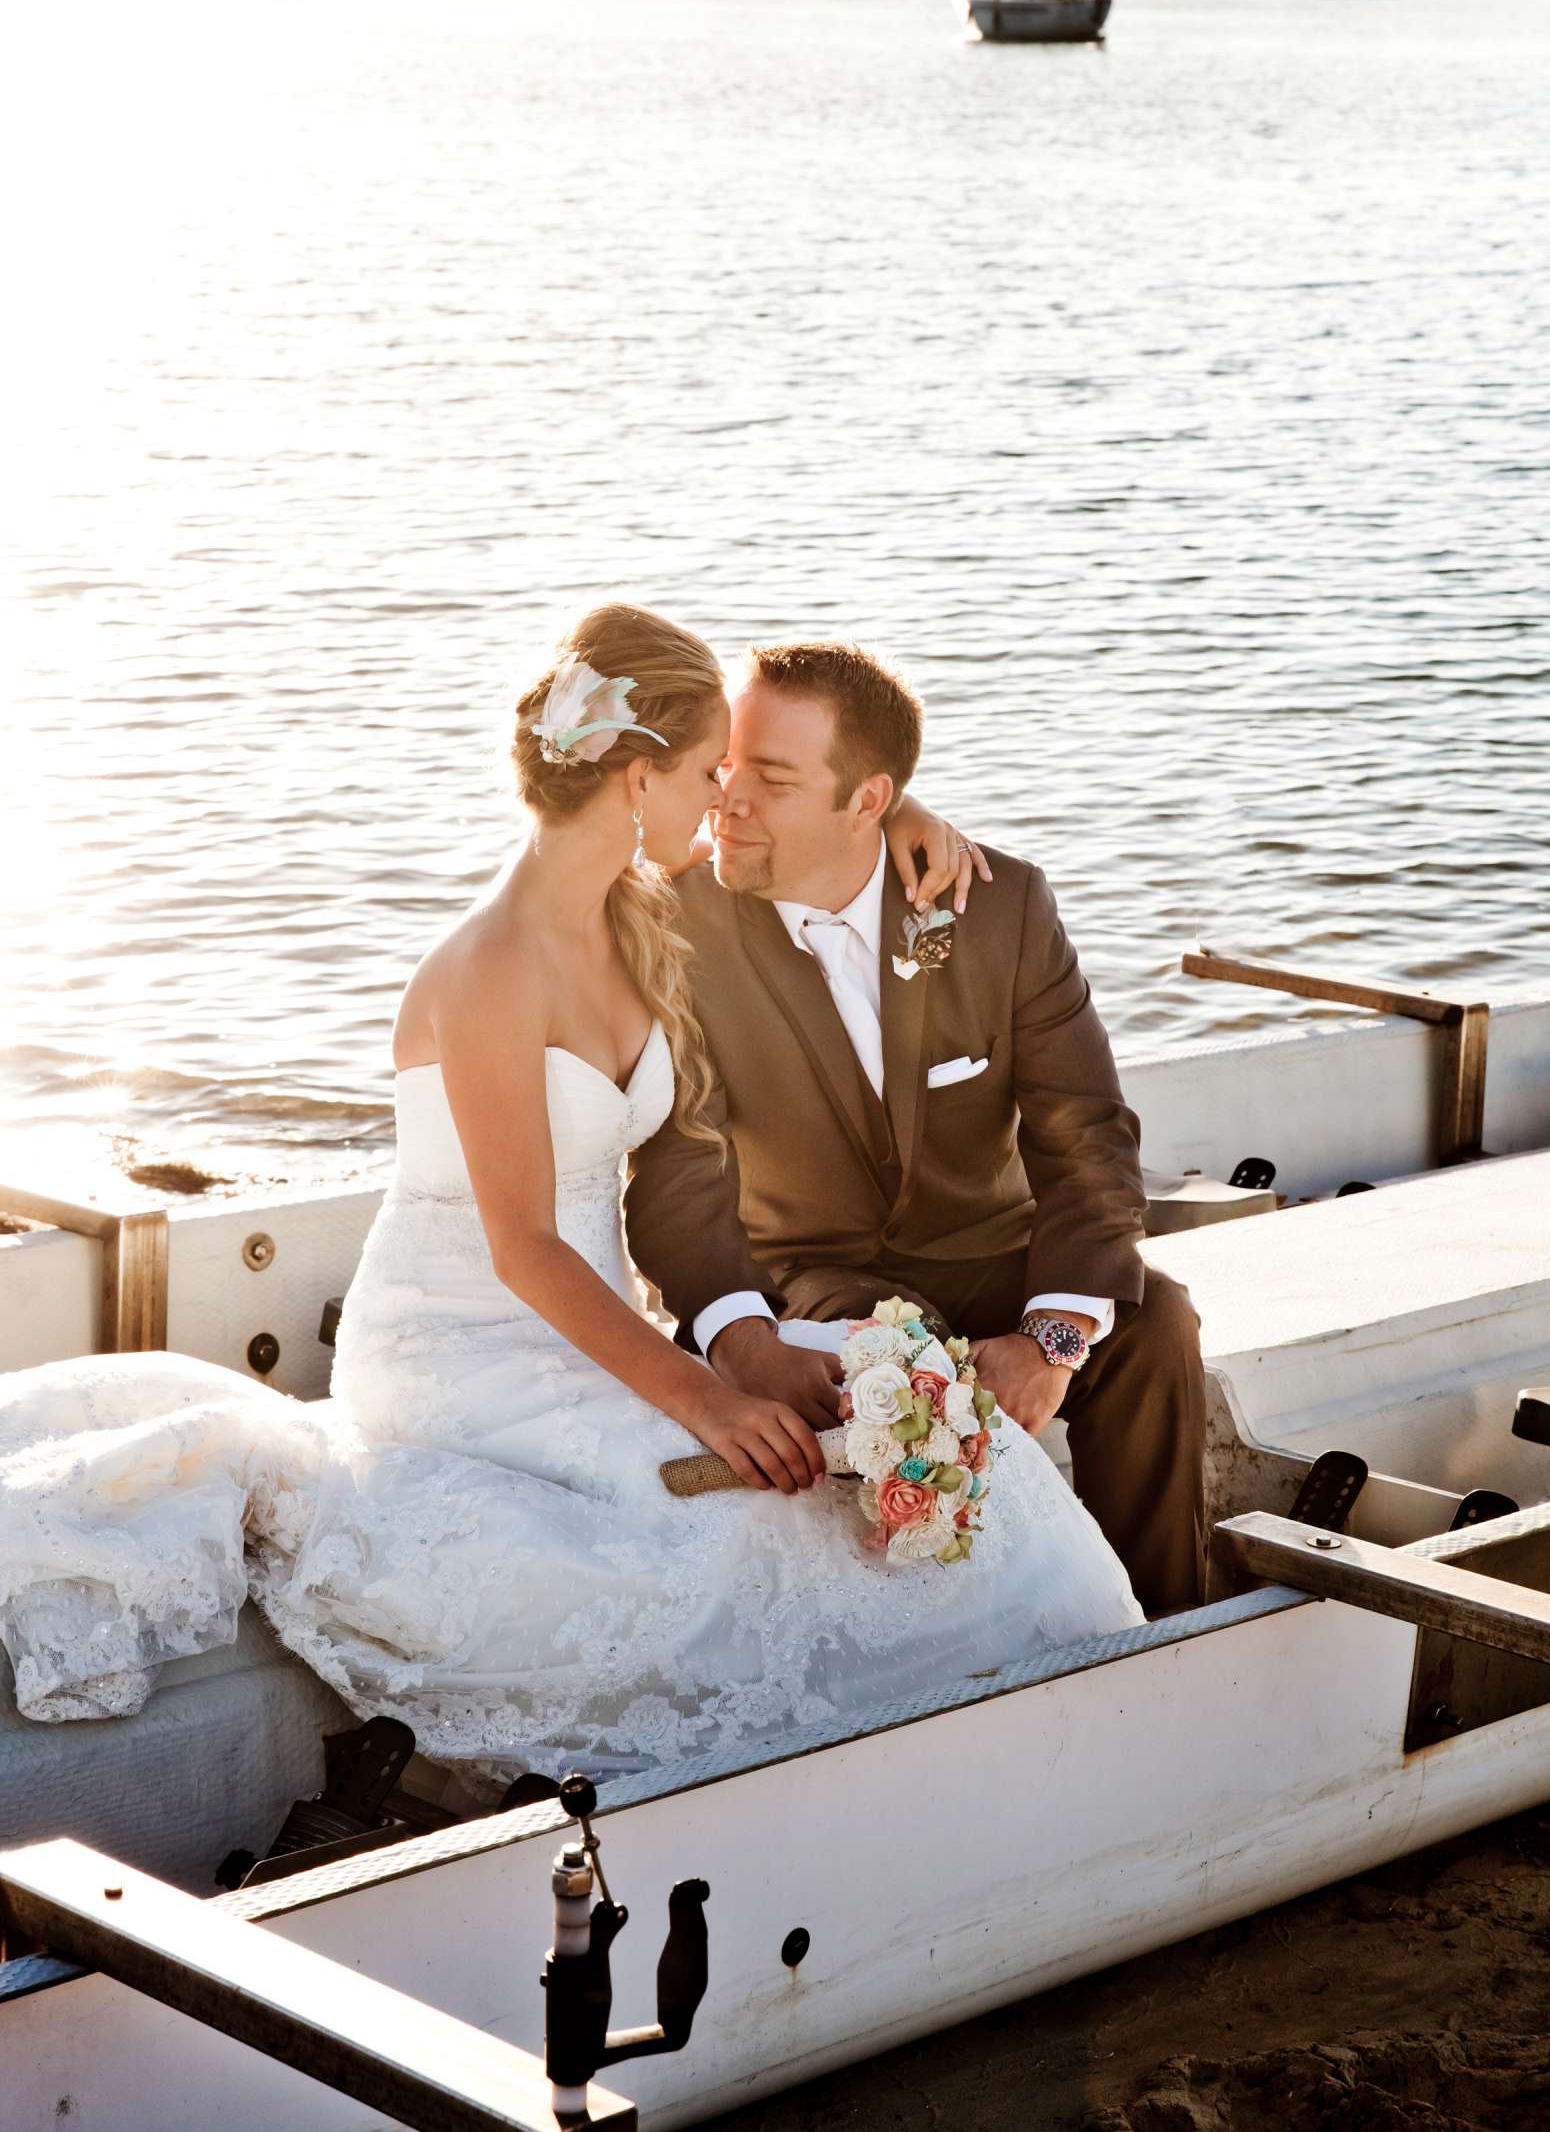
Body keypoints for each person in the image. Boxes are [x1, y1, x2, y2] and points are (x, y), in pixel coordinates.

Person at [0, 604, 1143, 1786]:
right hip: (470, 1349)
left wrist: (896, 809)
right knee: (730, 1526)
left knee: (881, 1478)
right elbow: (525, 1250)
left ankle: (1073, 1723)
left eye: (742, 779)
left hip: (597, 1340)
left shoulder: (638, 913)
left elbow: (821, 839)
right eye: (709, 775)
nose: (725, 803)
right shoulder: (491, 969)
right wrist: (705, 1396)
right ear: (637, 777)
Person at [624, 639, 1206, 1619]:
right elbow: (680, 1171)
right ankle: (959, 1646)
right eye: (726, 768)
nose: (727, 800)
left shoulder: (993, 907)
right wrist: (738, 1341)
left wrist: (1047, 1340)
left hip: (987, 1248)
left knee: (1155, 1322)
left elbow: (1087, 1136)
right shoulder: (679, 929)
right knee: (904, 1354)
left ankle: (1166, 1631)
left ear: (869, 801)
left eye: (770, 779)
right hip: (804, 1266)